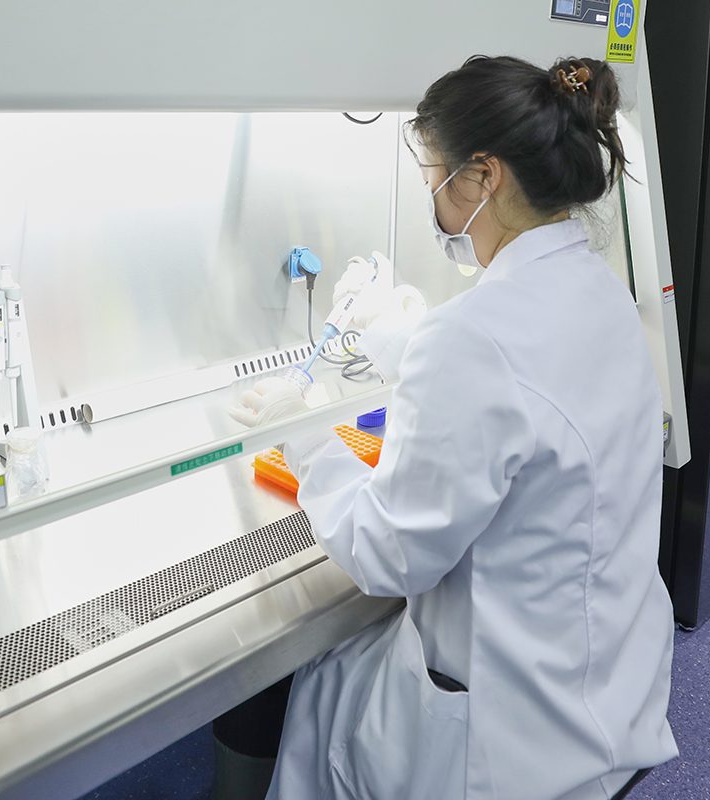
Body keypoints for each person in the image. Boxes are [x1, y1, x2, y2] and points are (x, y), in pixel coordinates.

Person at [264, 54, 677, 800]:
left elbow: (389, 555)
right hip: (610, 686)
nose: (433, 203)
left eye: (433, 181)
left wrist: (310, 440)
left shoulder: (474, 338)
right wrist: (396, 331)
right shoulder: (601, 290)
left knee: (318, 687)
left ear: (483, 177)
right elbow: (521, 389)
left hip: (504, 743)